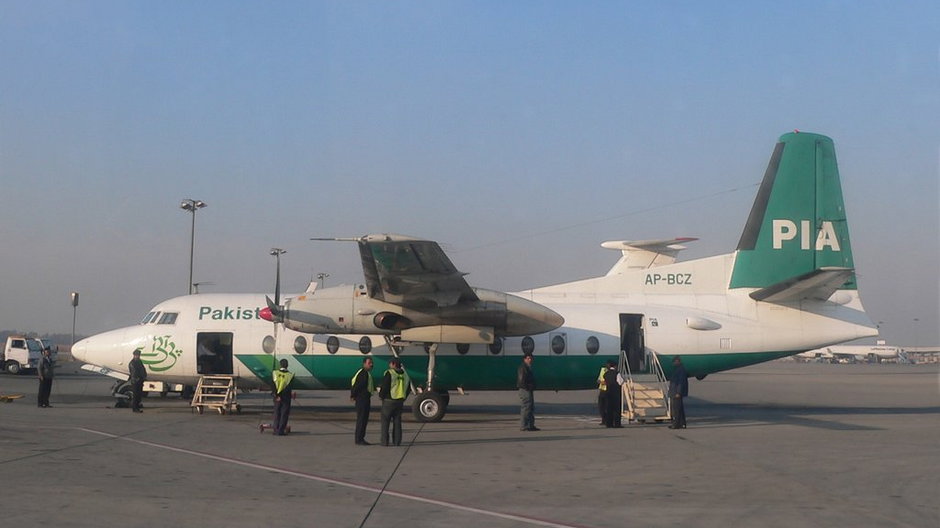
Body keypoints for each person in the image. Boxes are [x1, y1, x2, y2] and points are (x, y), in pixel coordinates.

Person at [378, 357, 411, 446]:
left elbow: (385, 386)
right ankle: (397, 441)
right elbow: (408, 389)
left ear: (393, 364)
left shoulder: (390, 373)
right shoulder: (405, 375)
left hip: (389, 400)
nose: (389, 365)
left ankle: (385, 442)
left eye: (390, 363)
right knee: (397, 422)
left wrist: (381, 396)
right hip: (400, 402)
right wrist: (404, 397)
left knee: (385, 422)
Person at [350, 357, 375, 445]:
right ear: (364, 364)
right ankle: (359, 439)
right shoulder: (363, 374)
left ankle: (360, 438)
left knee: (363, 419)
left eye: (371, 363)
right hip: (362, 400)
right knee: (362, 419)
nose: (371, 364)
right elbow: (358, 385)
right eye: (369, 363)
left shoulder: (365, 373)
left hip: (364, 399)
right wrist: (353, 395)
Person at [271, 359, 294, 436]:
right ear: (287, 365)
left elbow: (273, 385)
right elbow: (288, 388)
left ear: (280, 365)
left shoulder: (275, 373)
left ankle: (275, 429)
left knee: (277, 413)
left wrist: (277, 395)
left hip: (276, 396)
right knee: (284, 413)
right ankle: (280, 431)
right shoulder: (290, 375)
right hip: (285, 397)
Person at [517, 354, 539, 431]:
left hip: (528, 389)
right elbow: (521, 380)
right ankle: (524, 426)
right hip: (525, 390)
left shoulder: (528, 367)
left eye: (531, 358)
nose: (530, 360)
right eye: (528, 358)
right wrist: (527, 387)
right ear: (524, 359)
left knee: (530, 407)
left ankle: (530, 425)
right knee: (526, 407)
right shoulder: (523, 367)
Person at [668, 356, 689, 429]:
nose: (673, 363)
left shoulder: (680, 370)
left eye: (675, 361)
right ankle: (682, 424)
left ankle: (676, 424)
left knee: (676, 409)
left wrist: (678, 392)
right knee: (680, 409)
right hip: (675, 392)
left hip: (676, 392)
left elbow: (680, 382)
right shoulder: (679, 369)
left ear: (678, 361)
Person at [603, 361, 623, 428]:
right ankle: (617, 424)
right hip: (616, 393)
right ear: (615, 366)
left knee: (609, 409)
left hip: (608, 392)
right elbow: (620, 382)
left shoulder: (605, 374)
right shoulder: (617, 374)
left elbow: (605, 381)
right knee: (617, 409)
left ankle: (609, 424)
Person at [128, 348, 147, 413]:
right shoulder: (132, 363)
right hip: (135, 381)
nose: (138, 356)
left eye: (138, 355)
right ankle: (135, 408)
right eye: (137, 355)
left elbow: (143, 369)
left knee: (139, 395)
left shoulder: (139, 361)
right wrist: (139, 378)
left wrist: (144, 377)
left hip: (140, 380)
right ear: (134, 355)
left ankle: (137, 406)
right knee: (136, 395)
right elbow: (134, 372)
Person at [596, 361, 611, 425]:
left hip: (608, 390)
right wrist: (601, 382)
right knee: (601, 406)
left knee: (606, 406)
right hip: (602, 390)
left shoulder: (611, 372)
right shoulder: (603, 370)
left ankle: (606, 420)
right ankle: (604, 419)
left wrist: (602, 382)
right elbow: (598, 380)